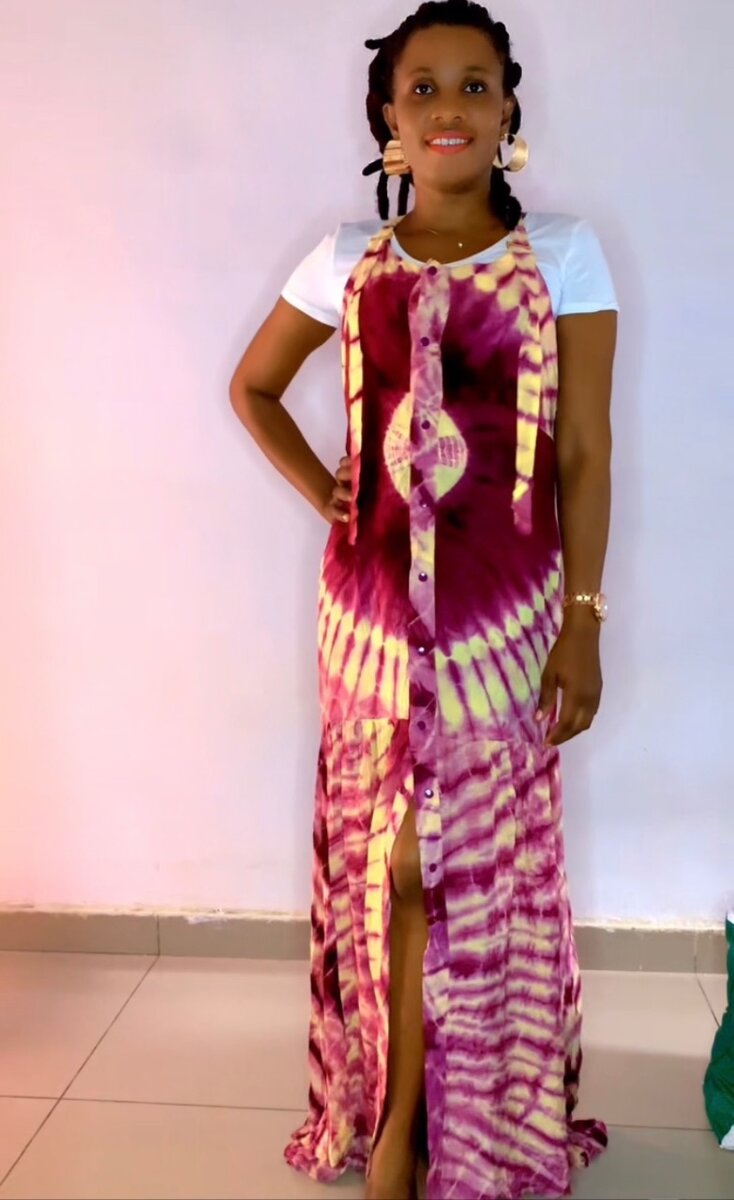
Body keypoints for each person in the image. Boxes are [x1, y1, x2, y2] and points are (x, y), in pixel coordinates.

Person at [229, 1, 618, 1196]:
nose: (449, 108)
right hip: (366, 622)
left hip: (505, 624)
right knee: (390, 864)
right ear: (386, 118)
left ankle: (459, 1119)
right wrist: (330, 496)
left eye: (473, 86)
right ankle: (397, 1122)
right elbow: (255, 389)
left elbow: (581, 453)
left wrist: (582, 625)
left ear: (507, 112)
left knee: (468, 868)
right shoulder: (344, 260)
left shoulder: (561, 256)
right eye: (422, 88)